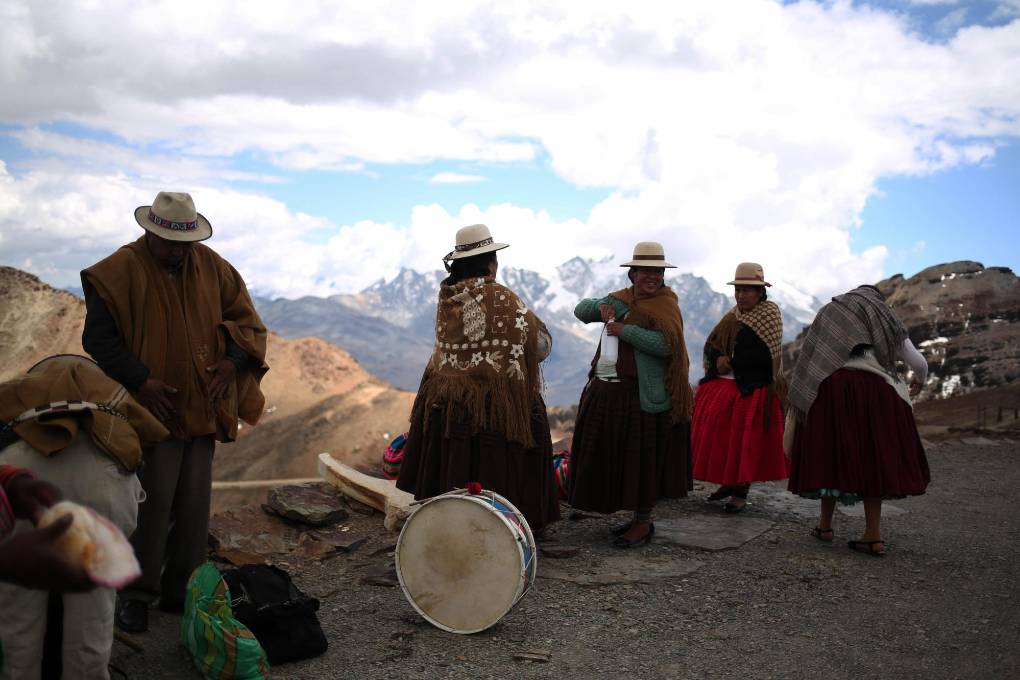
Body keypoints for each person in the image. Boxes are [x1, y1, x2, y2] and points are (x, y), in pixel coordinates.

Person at [81, 191, 269, 632]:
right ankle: (134, 594)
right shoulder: (119, 270)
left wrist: (231, 362)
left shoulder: (213, 267)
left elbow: (247, 324)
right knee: (147, 504)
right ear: (149, 230)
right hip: (148, 410)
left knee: (192, 506)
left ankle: (183, 592)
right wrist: (140, 380)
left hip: (201, 406)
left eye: (185, 243)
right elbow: (99, 339)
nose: (179, 251)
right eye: (169, 242)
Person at [0, 354, 168, 679]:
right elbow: (139, 463)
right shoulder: (115, 405)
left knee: (18, 620)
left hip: (20, 479)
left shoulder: (15, 399)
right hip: (104, 487)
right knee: (92, 617)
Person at [396, 224, 560, 534]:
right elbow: (540, 345)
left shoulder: (448, 297)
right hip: (502, 403)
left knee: (461, 461)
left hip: (451, 402)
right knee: (511, 452)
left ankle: (455, 523)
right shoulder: (501, 297)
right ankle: (513, 527)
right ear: (490, 262)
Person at [786, 284, 930, 557]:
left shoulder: (830, 312)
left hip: (831, 393)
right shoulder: (885, 317)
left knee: (830, 456)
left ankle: (825, 526)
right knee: (873, 459)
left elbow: (810, 359)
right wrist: (918, 382)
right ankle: (873, 535)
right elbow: (919, 363)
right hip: (877, 394)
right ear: (876, 299)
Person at [567, 242, 693, 548]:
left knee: (642, 460)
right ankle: (631, 514)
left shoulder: (665, 305)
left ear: (663, 274)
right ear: (633, 273)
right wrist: (602, 309)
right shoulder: (622, 300)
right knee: (618, 456)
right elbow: (581, 310)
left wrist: (626, 332)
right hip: (610, 390)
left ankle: (643, 521)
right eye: (645, 271)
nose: (651, 276)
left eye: (657, 271)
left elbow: (667, 346)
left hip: (642, 395)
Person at [691, 262, 788, 513]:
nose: (741, 295)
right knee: (725, 440)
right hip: (725, 385)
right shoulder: (733, 316)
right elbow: (712, 343)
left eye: (748, 290)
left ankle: (740, 491)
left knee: (744, 441)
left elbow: (764, 357)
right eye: (739, 290)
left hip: (752, 388)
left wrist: (732, 362)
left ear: (760, 293)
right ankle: (728, 483)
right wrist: (717, 360)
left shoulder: (769, 315)